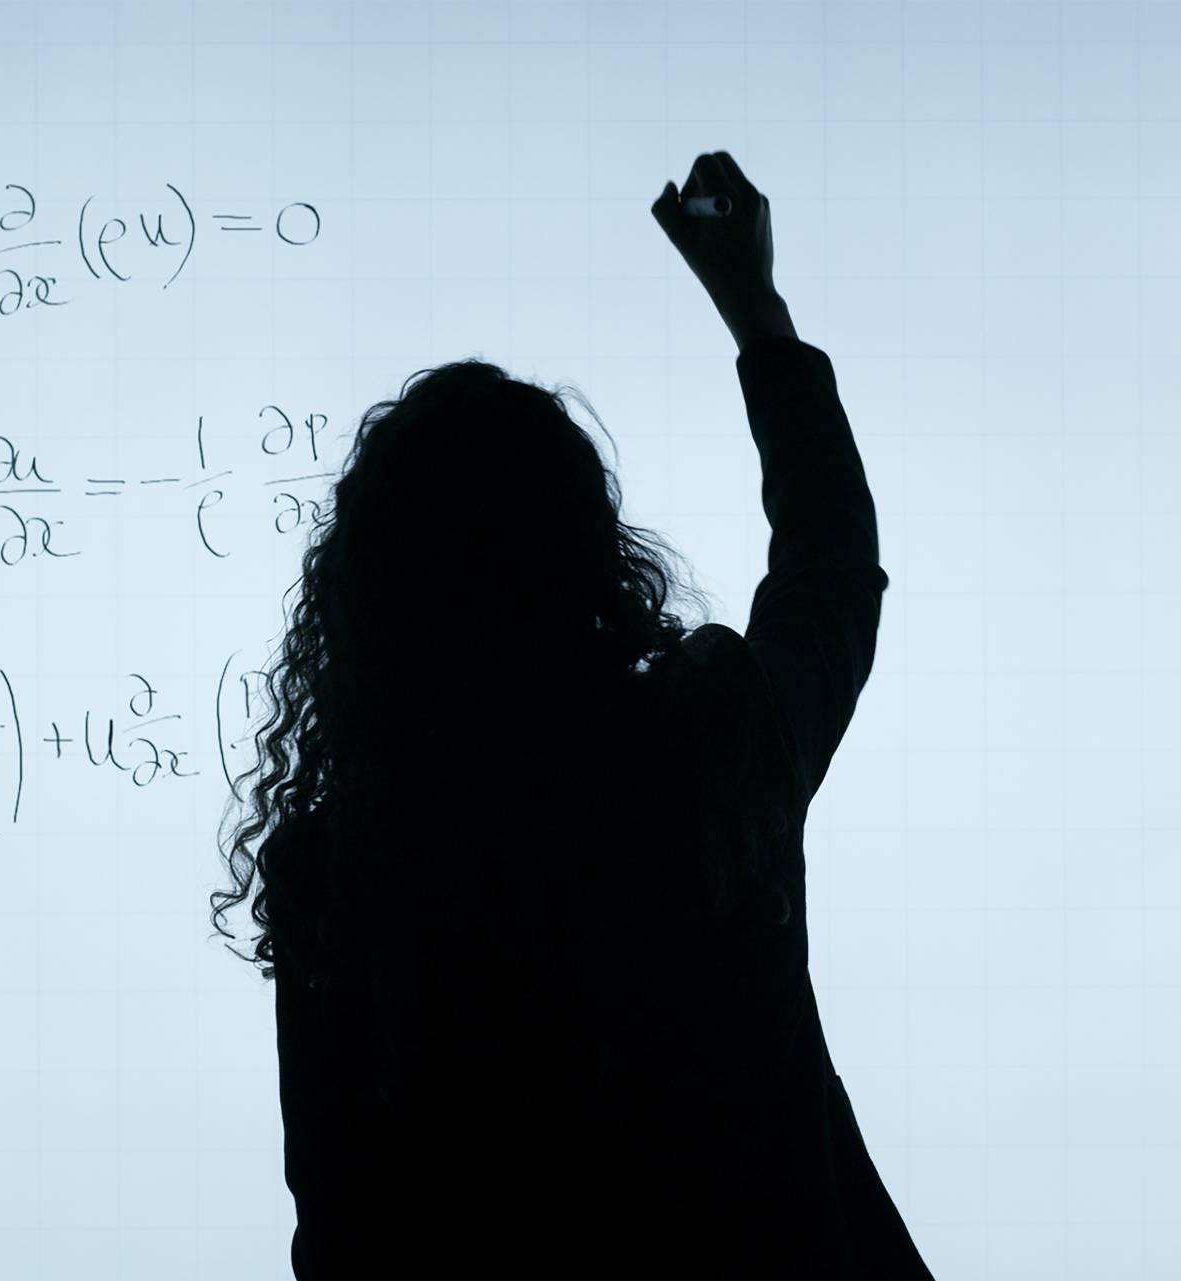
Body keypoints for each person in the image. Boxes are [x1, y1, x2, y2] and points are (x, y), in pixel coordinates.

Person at [212, 151, 933, 1280]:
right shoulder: (708, 755)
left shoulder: (342, 881)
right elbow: (831, 570)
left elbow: (344, 1235)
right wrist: (755, 310)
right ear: (591, 563)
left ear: (367, 606)